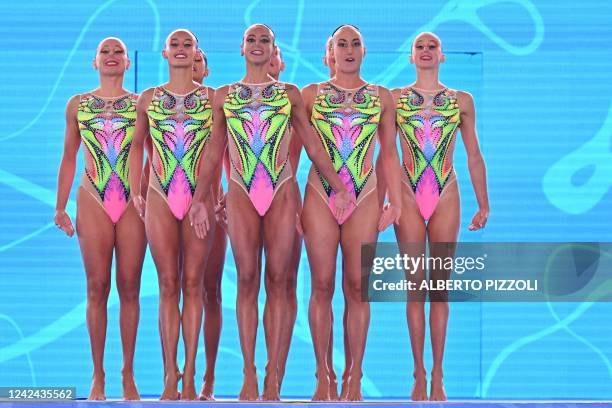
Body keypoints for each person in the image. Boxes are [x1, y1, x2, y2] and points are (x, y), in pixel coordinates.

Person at [190, 23, 354, 401]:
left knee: (280, 282)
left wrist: (340, 187)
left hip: (281, 190)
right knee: (247, 280)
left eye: (266, 40)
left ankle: (273, 376)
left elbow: (312, 146)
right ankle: (248, 372)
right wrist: (200, 198)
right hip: (241, 194)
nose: (258, 45)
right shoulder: (224, 96)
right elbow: (214, 152)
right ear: (242, 47)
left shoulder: (290, 95)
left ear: (273, 49)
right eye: (252, 39)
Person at [301, 25, 402, 401]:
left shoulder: (382, 97)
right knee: (322, 285)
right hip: (318, 195)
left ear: (364, 51)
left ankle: (353, 376)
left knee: (358, 288)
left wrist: (397, 202)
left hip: (366, 194)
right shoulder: (311, 94)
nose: (348, 49)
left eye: (355, 43)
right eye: (341, 44)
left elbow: (389, 153)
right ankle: (323, 374)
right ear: (330, 53)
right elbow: (299, 148)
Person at [392, 32, 489, 401]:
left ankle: (438, 374)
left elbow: (474, 154)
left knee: (440, 288)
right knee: (416, 287)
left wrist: (484, 204)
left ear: (442, 56)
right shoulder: (396, 100)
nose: (427, 51)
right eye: (420, 46)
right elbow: (385, 155)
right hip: (407, 190)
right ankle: (418, 372)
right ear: (411, 57)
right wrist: (387, 201)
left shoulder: (461, 100)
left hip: (446, 191)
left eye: (433, 46)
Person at [54, 37, 146, 400]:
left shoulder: (142, 104)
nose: (111, 57)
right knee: (96, 287)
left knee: (129, 288)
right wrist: (60, 207)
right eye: (105, 52)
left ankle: (128, 373)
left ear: (127, 63)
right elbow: (68, 156)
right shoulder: (78, 104)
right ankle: (98, 375)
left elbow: (152, 157)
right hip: (92, 196)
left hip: (130, 201)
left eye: (118, 52)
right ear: (94, 62)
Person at [128, 29, 217, 400]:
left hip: (200, 199)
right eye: (175, 45)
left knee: (194, 284)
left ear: (196, 52)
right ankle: (169, 375)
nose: (181, 50)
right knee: (167, 285)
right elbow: (136, 148)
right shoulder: (149, 98)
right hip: (160, 196)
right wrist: (135, 190)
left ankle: (192, 374)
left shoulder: (214, 99)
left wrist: (205, 198)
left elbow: (216, 154)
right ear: (164, 53)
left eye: (188, 45)